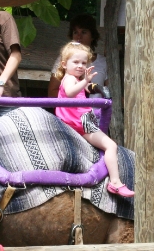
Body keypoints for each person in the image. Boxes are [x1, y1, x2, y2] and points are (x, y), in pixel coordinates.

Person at [55, 42, 134, 198]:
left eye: (84, 63)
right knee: (111, 146)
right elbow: (70, 93)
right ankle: (115, 182)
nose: (80, 66)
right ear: (64, 64)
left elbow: (80, 91)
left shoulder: (75, 79)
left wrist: (87, 83)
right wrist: (85, 82)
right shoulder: (69, 79)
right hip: (79, 124)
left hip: (79, 121)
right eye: (76, 62)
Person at [48, 14, 107, 97]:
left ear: (92, 36)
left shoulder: (103, 62)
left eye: (84, 32)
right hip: (72, 109)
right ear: (64, 64)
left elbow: (111, 93)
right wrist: (74, 98)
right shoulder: (65, 58)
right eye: (75, 32)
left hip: (97, 109)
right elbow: (52, 93)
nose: (79, 36)